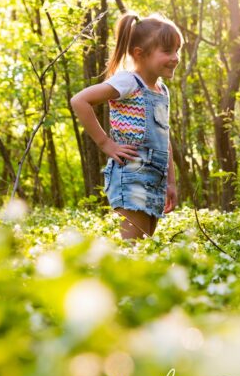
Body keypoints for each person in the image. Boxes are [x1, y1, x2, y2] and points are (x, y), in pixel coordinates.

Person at [70, 13, 182, 240]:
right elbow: (79, 101)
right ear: (139, 54)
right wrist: (106, 143)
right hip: (132, 174)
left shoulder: (162, 90)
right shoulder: (128, 82)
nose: (175, 58)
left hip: (156, 178)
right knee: (133, 247)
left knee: (145, 245)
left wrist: (170, 182)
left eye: (177, 50)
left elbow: (164, 138)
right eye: (167, 51)